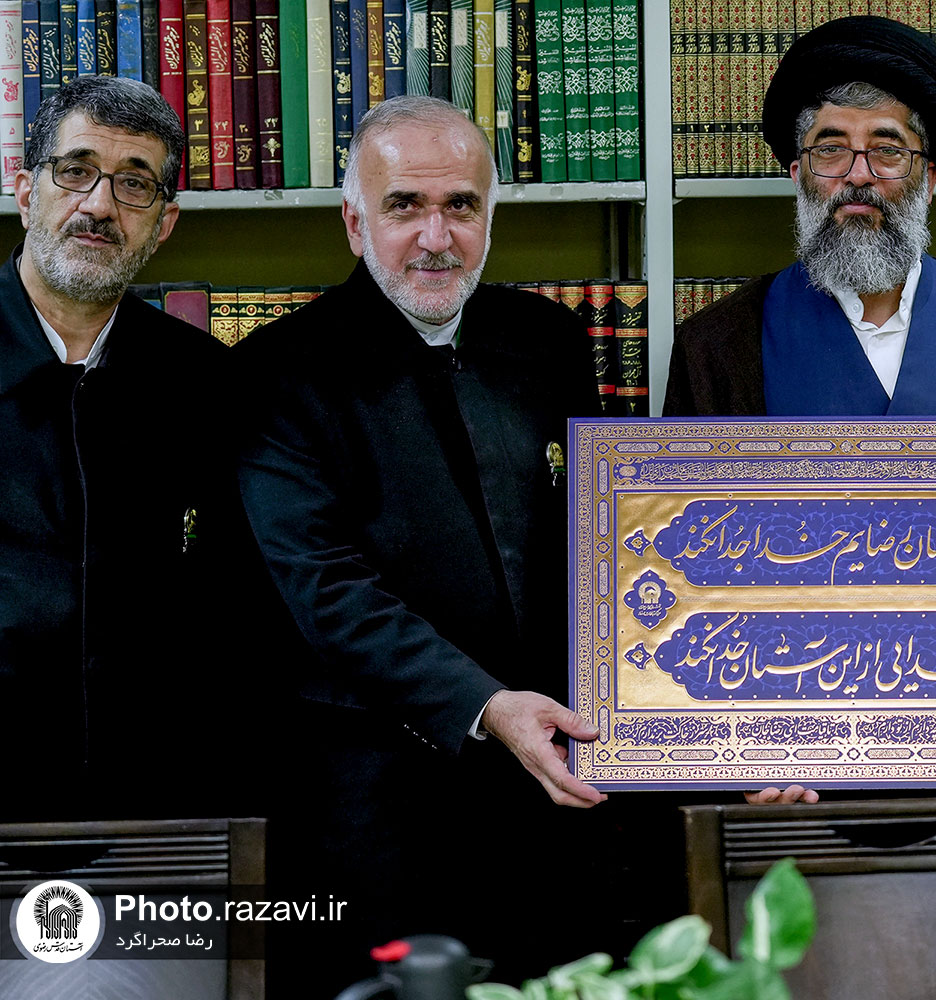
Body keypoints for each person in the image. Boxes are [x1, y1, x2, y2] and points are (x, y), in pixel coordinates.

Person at [232, 95, 608, 990]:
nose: (436, 238)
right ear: (355, 223)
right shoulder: (277, 371)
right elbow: (324, 588)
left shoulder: (549, 340)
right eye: (405, 205)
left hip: (556, 783)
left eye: (461, 206)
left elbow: (606, 543)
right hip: (374, 803)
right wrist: (487, 706)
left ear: (490, 216)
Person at [0, 75, 237, 822]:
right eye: (75, 171)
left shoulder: (207, 383)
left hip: (156, 801)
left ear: (164, 223)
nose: (99, 205)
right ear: (25, 191)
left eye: (134, 184)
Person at [663, 15, 936, 421]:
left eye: (887, 150)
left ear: (929, 180)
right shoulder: (717, 342)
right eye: (830, 149)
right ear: (798, 175)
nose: (858, 174)